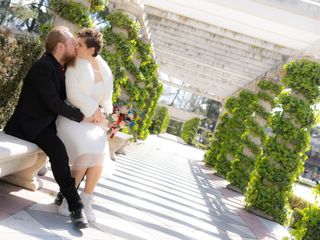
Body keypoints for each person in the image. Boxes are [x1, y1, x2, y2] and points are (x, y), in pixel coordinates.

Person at [3, 26, 104, 228]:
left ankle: (63, 194)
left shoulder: (61, 68)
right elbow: (54, 103)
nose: (75, 46)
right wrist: (83, 116)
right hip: (28, 126)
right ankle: (76, 207)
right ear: (60, 46)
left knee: (83, 146)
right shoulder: (43, 67)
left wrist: (95, 106)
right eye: (71, 43)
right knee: (59, 153)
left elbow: (74, 94)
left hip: (45, 124)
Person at [56, 28, 114, 223]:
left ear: (91, 49)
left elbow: (107, 97)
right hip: (73, 117)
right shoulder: (74, 64)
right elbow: (73, 93)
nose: (76, 47)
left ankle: (86, 198)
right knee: (89, 148)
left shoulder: (104, 67)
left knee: (100, 150)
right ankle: (69, 199)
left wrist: (108, 114)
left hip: (94, 121)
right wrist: (92, 110)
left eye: (80, 44)